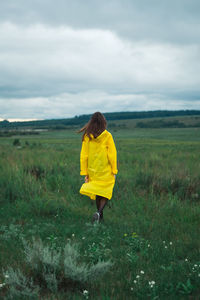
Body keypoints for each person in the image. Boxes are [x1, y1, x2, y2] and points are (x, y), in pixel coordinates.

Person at [79, 112, 118, 223]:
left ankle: (100, 217)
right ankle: (99, 212)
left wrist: (85, 172)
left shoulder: (87, 136)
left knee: (98, 192)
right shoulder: (108, 136)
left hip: (93, 171)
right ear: (103, 122)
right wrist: (114, 170)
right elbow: (112, 155)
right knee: (105, 192)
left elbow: (84, 156)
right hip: (106, 170)